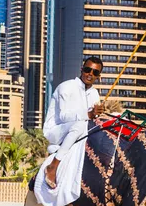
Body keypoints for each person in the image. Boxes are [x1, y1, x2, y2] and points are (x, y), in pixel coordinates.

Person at [43, 56, 105, 188]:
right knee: (79, 125)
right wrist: (89, 114)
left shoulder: (94, 93)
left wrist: (98, 115)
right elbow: (64, 116)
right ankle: (53, 167)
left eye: (95, 72)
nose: (90, 74)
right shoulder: (66, 87)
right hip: (57, 131)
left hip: (79, 132)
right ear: (82, 69)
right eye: (88, 70)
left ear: (98, 76)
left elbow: (92, 120)